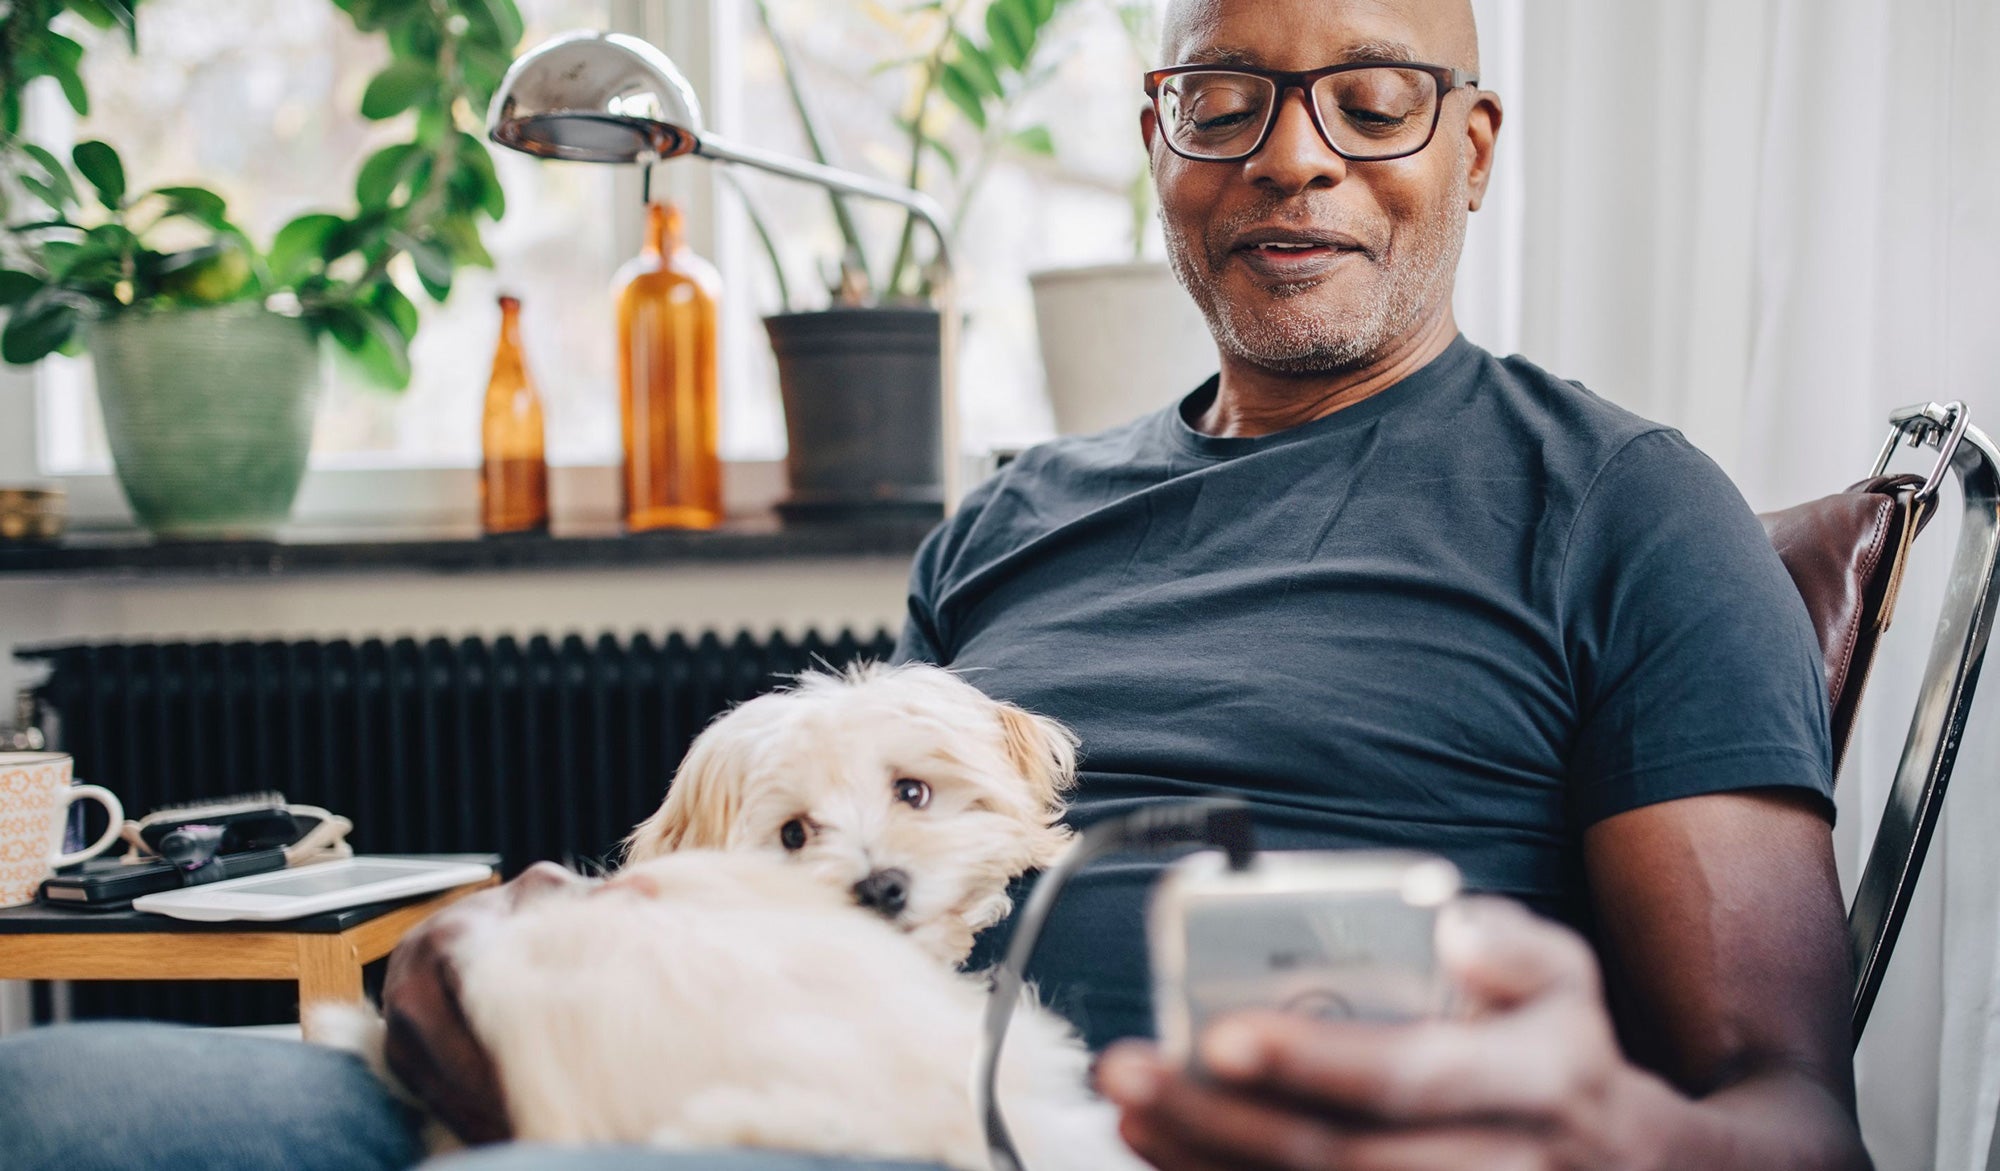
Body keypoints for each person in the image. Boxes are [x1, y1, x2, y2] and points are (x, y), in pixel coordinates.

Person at [0, 1, 1869, 1168]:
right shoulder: (1012, 516)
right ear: (1160, 146)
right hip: (748, 1070)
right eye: (1226, 99)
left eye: (1375, 101)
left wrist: (1586, 1129)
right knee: (49, 1108)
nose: (1294, 157)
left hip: (1034, 1138)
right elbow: (817, 875)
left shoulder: (1624, 507)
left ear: (1471, 151)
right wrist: (545, 935)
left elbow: (1791, 1123)